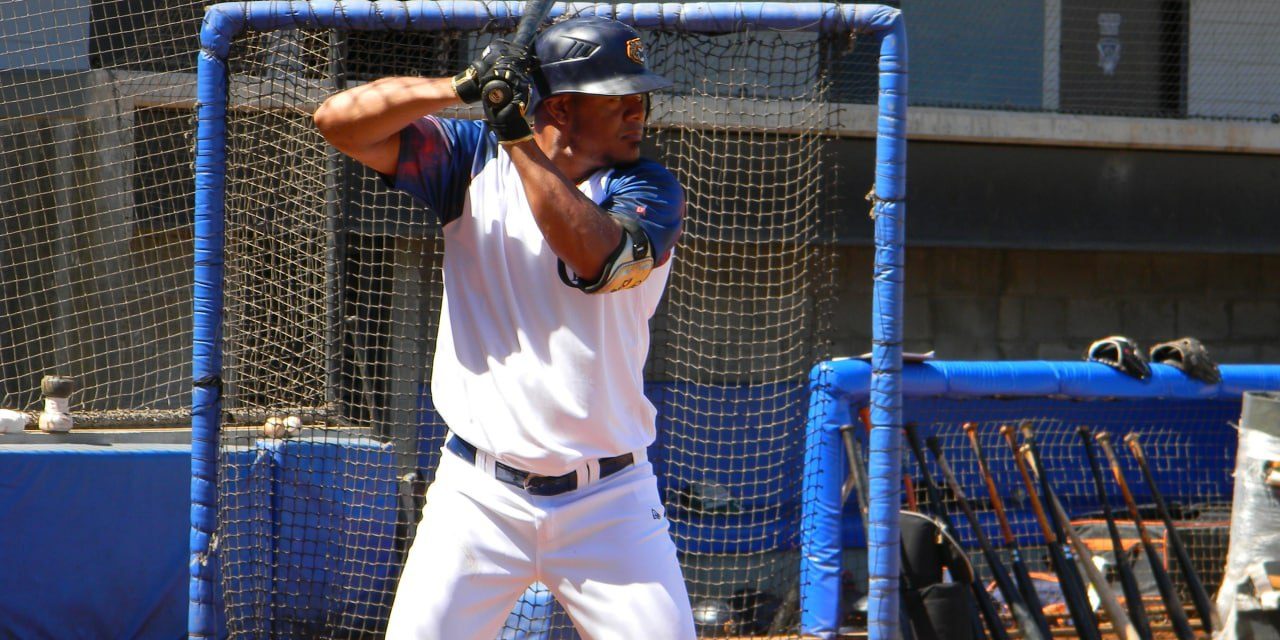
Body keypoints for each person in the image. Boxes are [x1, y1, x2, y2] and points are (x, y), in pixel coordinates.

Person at [313, 15, 696, 640]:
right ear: (564, 108)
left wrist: (515, 131)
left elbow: (595, 258)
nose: (639, 112)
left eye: (640, 97)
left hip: (610, 503)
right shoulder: (469, 162)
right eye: (619, 98)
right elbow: (337, 120)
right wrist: (461, 86)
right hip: (478, 496)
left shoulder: (646, 186)